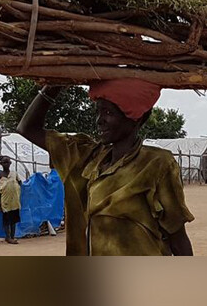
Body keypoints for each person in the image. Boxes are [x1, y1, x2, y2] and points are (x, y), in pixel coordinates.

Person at [17, 79, 195, 256]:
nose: (99, 120)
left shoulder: (157, 164)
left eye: (108, 112)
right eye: (98, 111)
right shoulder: (85, 157)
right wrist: (55, 84)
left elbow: (177, 237)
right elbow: (27, 128)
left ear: (136, 118)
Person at [0, 156, 21, 245]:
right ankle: (8, 237)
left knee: (13, 220)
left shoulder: (14, 174)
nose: (6, 164)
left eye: (7, 162)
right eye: (4, 162)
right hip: (5, 200)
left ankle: (12, 237)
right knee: (6, 220)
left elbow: (20, 182)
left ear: (10, 163)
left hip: (14, 200)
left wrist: (16, 189)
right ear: (1, 164)